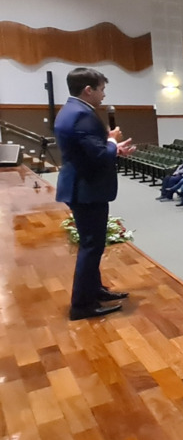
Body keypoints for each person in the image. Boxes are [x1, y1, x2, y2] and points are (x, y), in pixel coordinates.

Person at [53, 68, 134, 320]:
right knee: (91, 247)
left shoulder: (69, 111)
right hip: (86, 189)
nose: (103, 93)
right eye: (101, 88)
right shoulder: (82, 116)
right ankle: (82, 305)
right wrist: (111, 141)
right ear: (88, 90)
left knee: (93, 245)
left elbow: (88, 151)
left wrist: (112, 148)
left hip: (81, 186)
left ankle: (94, 289)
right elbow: (98, 156)